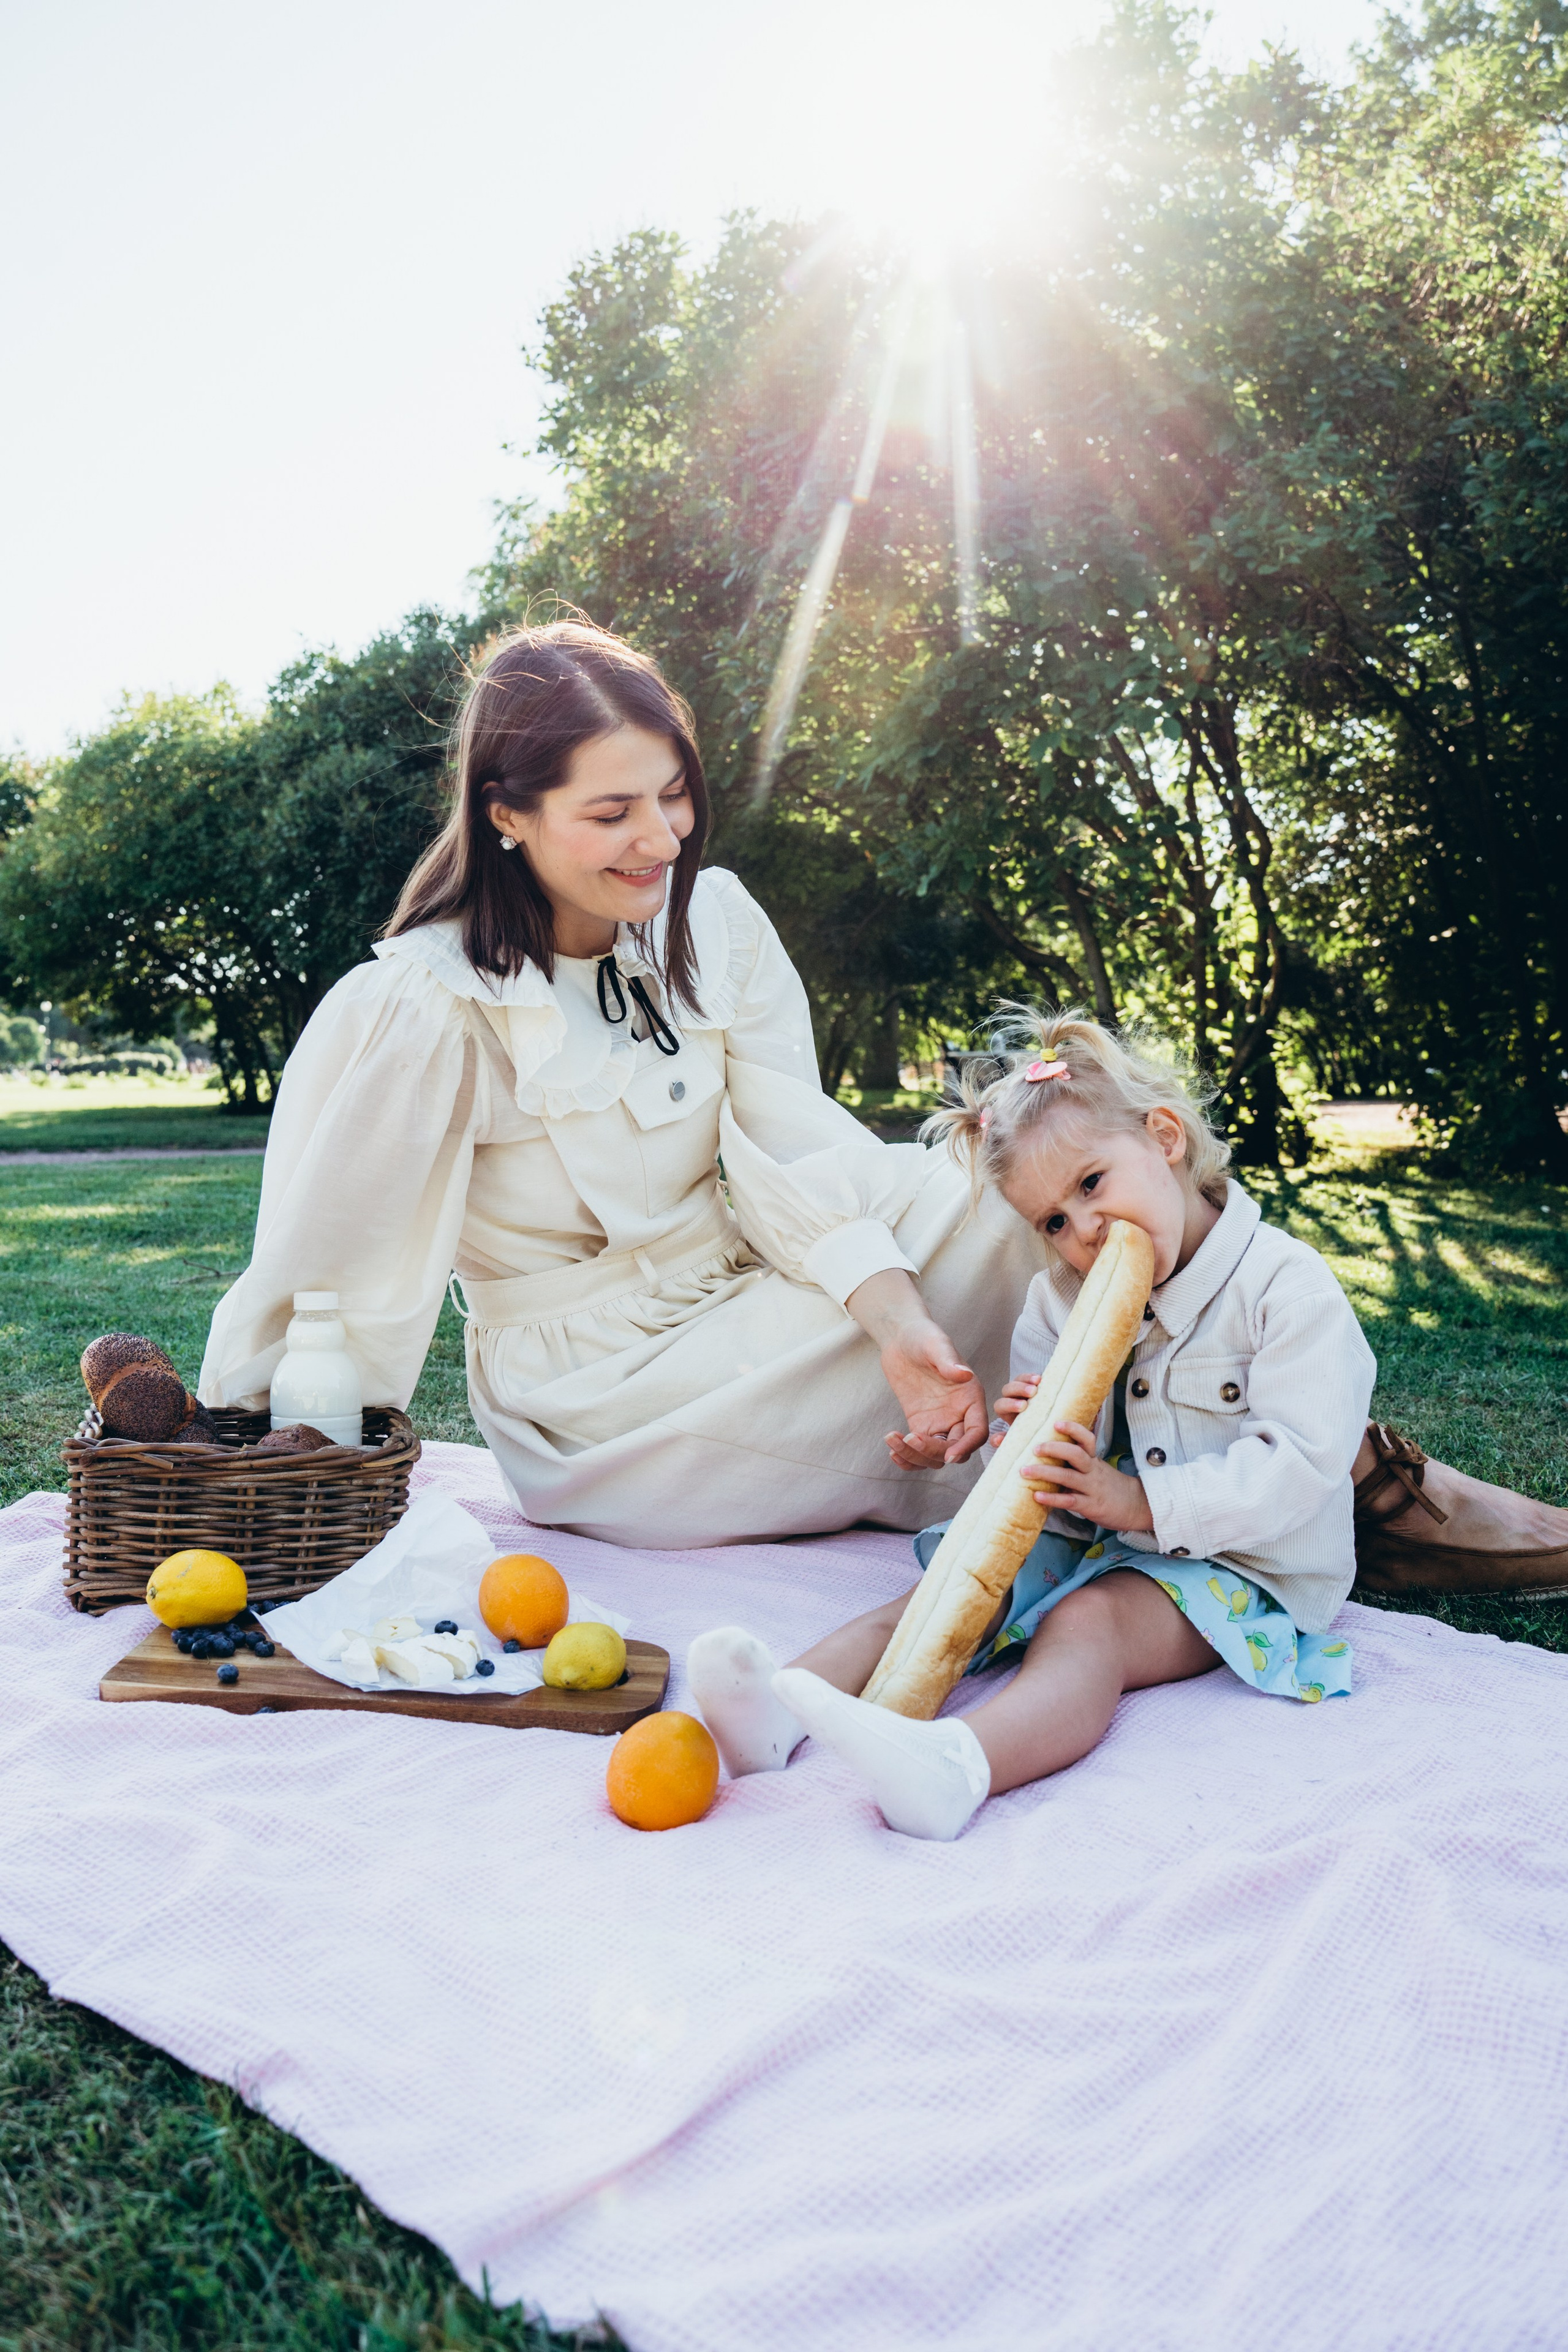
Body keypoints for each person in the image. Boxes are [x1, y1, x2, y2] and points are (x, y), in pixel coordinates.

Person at [199, 622, 1045, 1545]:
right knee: (993, 1274)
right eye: (611, 814)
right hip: (600, 1400)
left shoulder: (714, 925)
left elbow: (793, 1156)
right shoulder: (428, 1004)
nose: (660, 839)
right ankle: (1036, 1482)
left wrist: (898, 1324)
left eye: (673, 796)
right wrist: (244, 1466)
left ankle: (1161, 1460)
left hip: (753, 1297)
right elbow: (327, 1272)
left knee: (1022, 1190)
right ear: (507, 815)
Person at [686, 1009, 1377, 1839]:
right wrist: (1015, 1442)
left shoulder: (1285, 1290)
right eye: (1052, 1221)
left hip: (1245, 1561)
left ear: (1164, 1138)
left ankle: (957, 1768)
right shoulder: (1060, 1298)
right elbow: (1040, 1477)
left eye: (1091, 1186)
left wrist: (1136, 1503)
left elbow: (1301, 1464)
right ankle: (776, 1709)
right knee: (946, 1593)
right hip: (1094, 1534)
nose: (1081, 1233)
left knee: (1087, 1626)